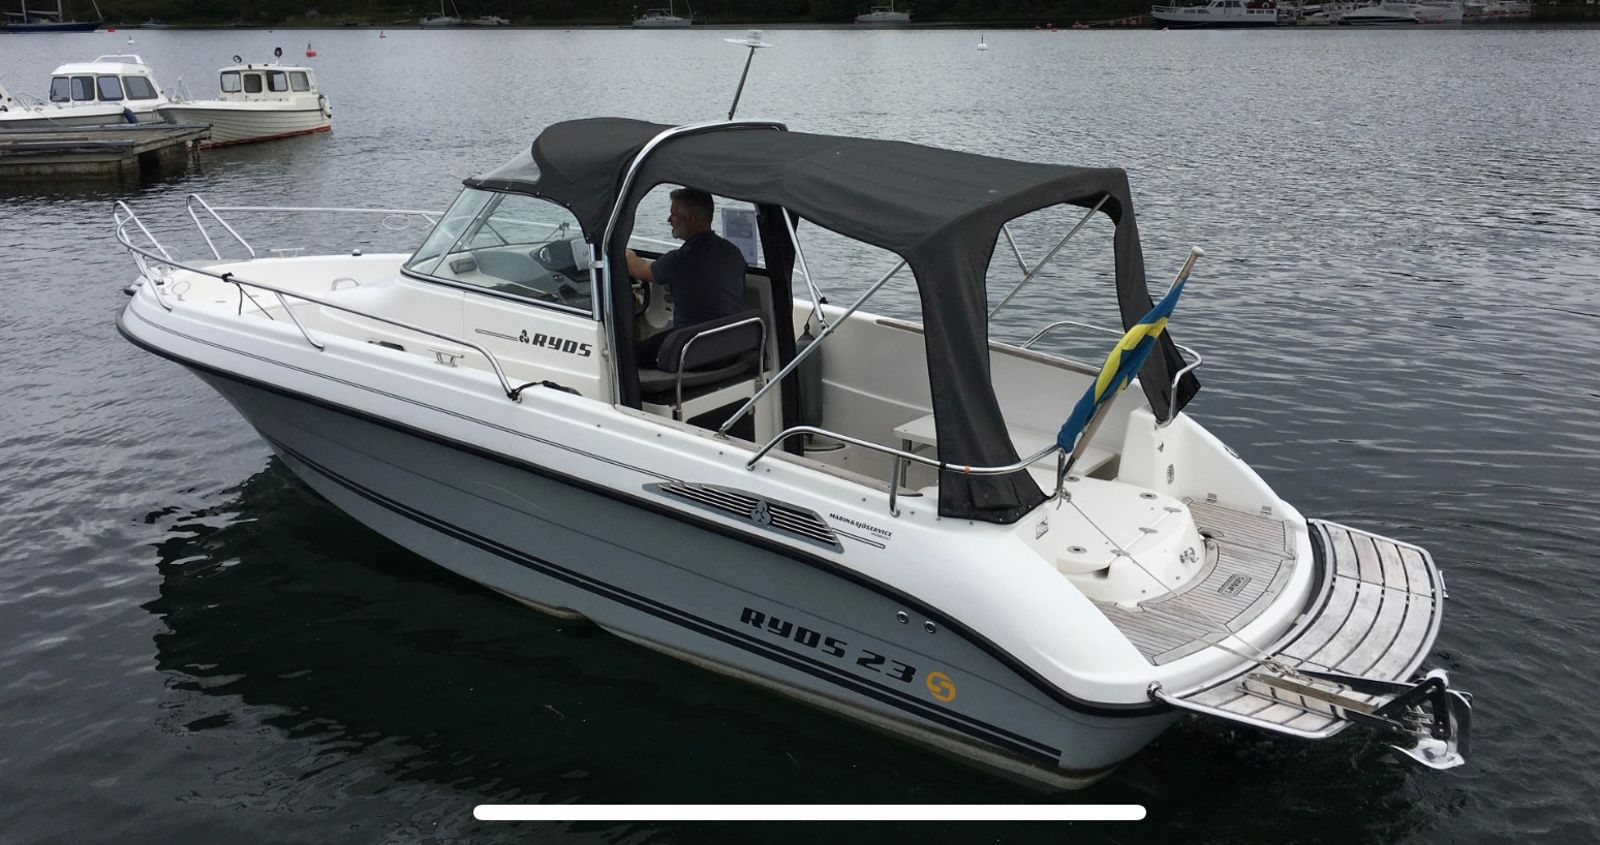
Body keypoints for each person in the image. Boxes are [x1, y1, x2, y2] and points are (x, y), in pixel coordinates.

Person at [625, 188, 748, 369]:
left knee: (625, 357)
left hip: (692, 349)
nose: (669, 220)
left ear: (689, 220)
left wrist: (625, 253)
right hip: (728, 348)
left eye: (673, 215)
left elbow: (640, 269)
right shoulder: (734, 254)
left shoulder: (680, 259)